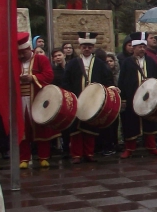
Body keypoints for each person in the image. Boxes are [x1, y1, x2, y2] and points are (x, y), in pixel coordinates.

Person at [64, 32, 115, 164]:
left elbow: (108, 80)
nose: (87, 49)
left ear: (92, 48)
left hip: (94, 101)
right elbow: (66, 81)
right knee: (75, 129)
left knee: (90, 128)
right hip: (76, 99)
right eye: (84, 46)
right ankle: (76, 155)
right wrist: (70, 97)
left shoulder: (100, 63)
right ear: (80, 47)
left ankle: (89, 153)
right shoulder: (73, 63)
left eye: (89, 47)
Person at [117, 32, 157, 159]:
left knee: (149, 122)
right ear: (133, 47)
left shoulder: (150, 61)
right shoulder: (127, 63)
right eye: (139, 47)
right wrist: (123, 99)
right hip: (132, 98)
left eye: (143, 47)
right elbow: (122, 81)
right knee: (130, 123)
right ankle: (129, 148)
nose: (142, 49)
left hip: (148, 98)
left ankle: (152, 147)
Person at [16, 33, 56, 168]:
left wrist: (32, 78)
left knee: (40, 126)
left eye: (23, 53)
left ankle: (43, 157)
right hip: (20, 99)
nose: (21, 56)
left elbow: (49, 75)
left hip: (37, 98)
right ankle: (24, 158)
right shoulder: (15, 62)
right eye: (19, 53)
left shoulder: (40, 59)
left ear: (28, 49)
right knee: (22, 128)